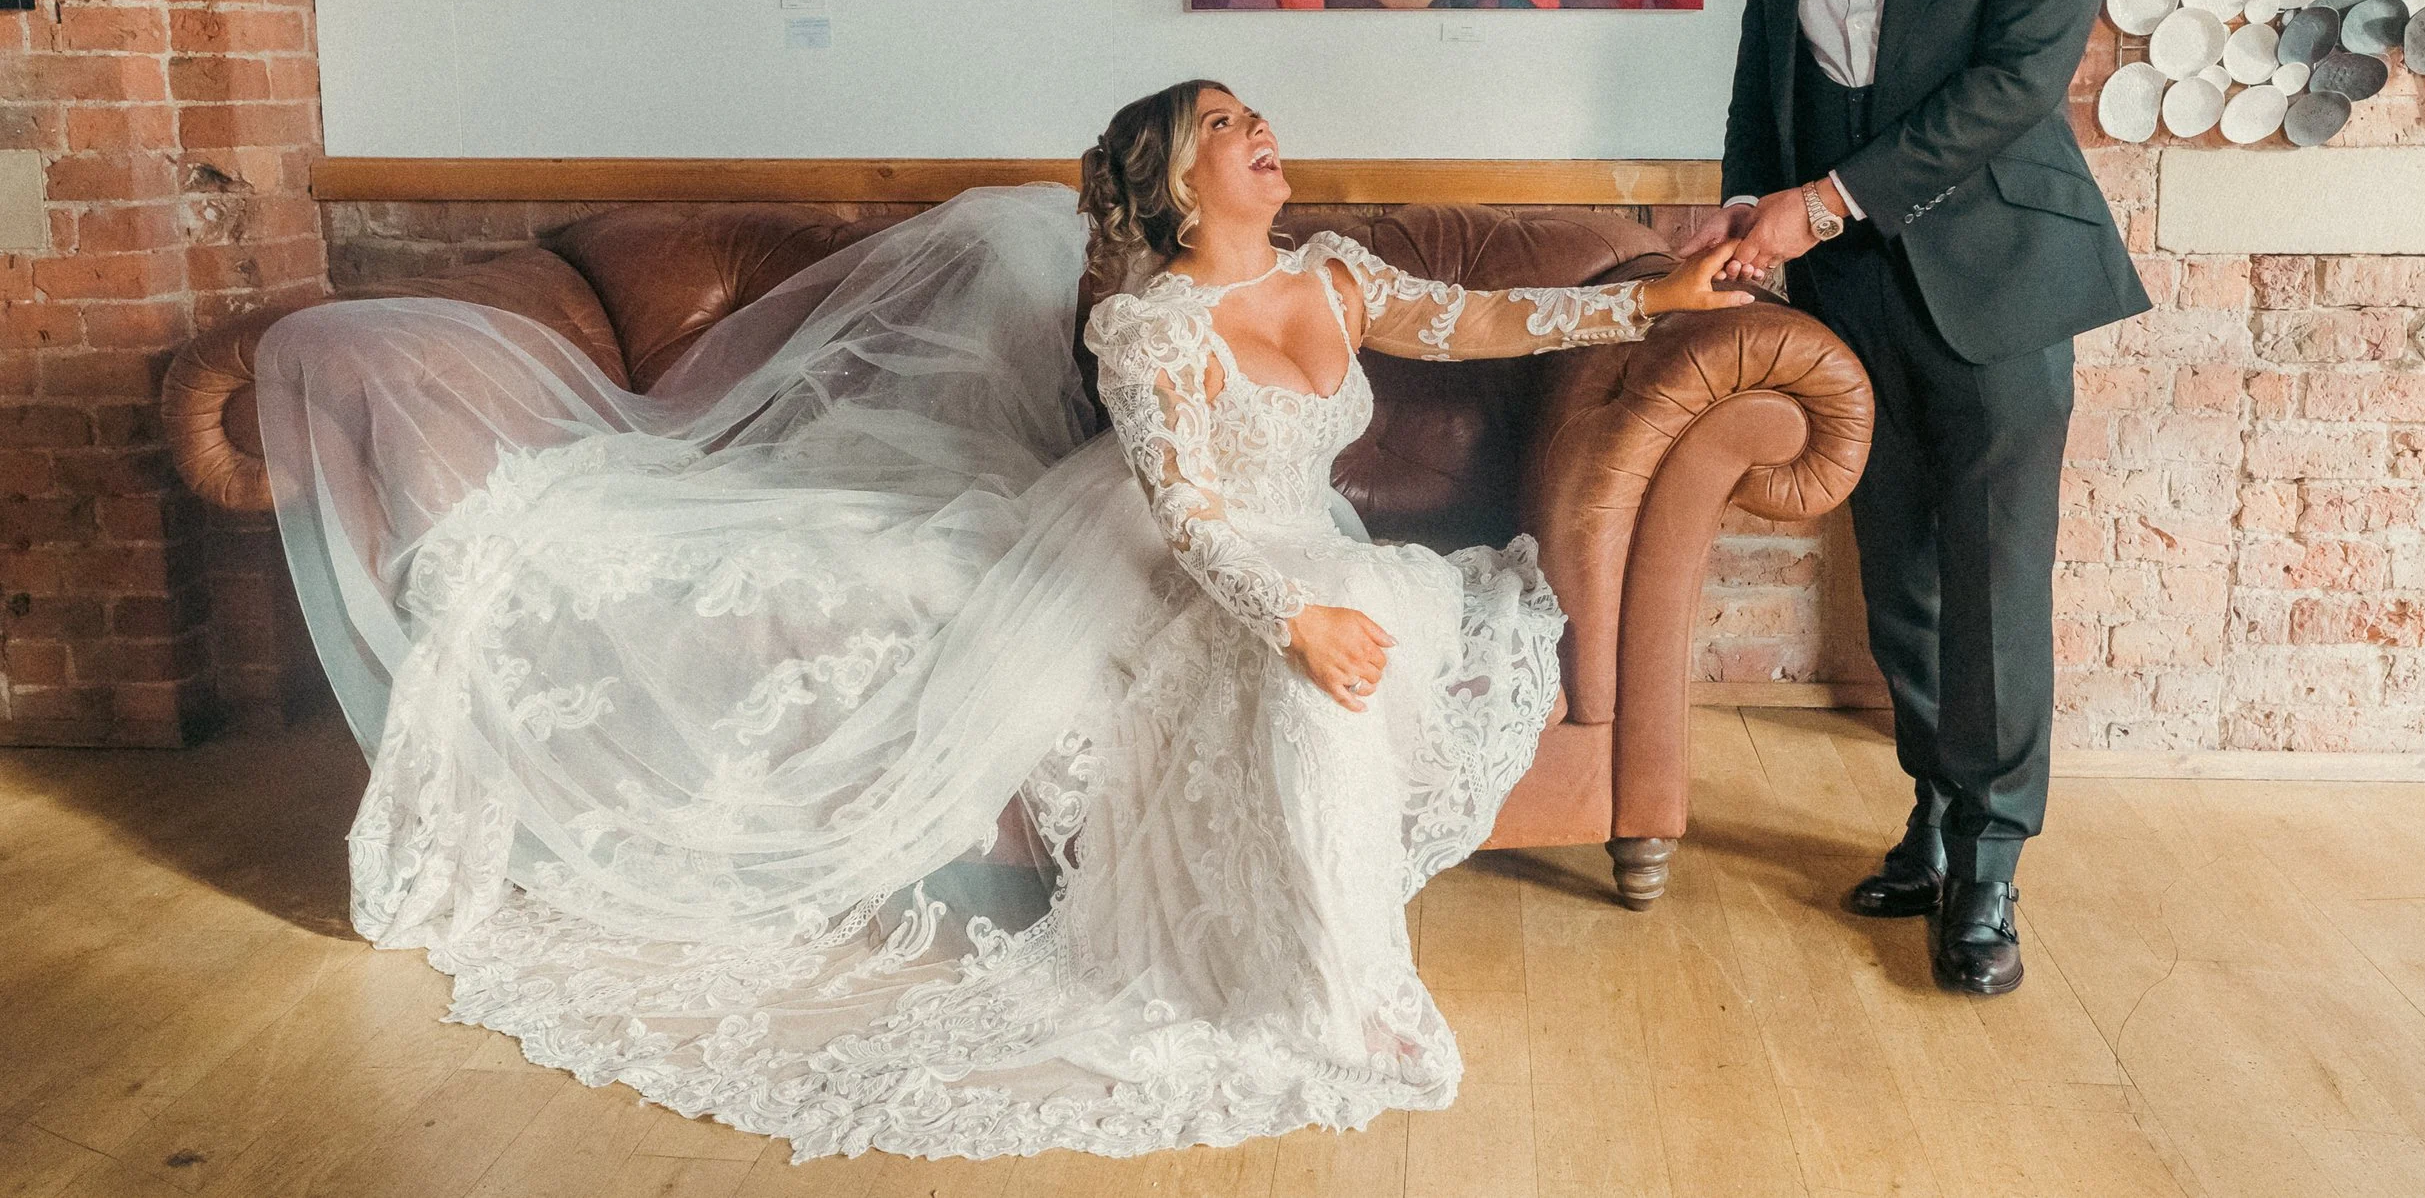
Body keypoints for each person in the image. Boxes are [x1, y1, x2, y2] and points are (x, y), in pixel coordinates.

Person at [254, 82, 1750, 1160]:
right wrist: (1286, 618)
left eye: (1257, 115)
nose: (1259, 131)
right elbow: (1188, 511)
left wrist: (1661, 292)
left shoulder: (1340, 274)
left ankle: (1337, 977)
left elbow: (1488, 319)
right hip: (1192, 566)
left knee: (1365, 635)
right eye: (1226, 123)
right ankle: (1334, 994)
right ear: (1177, 177)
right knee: (1316, 668)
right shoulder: (1145, 325)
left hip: (1324, 552)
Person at [1675, 0, 2148, 996]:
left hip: (1994, 279)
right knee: (1902, 581)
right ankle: (1936, 814)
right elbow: (1760, 96)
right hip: (1846, 294)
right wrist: (1745, 218)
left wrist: (1818, 203)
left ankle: (1992, 864)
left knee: (1996, 579)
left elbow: (2014, 85)